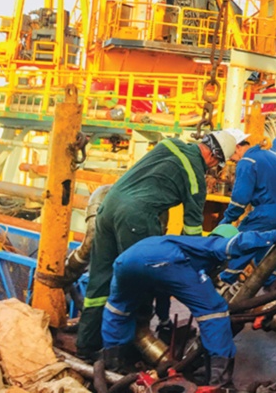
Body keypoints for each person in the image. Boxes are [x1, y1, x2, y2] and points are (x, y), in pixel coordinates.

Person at [76, 130, 238, 360]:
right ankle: (130, 348)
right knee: (141, 279)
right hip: (136, 218)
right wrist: (198, 268)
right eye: (217, 164)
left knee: (100, 278)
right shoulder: (195, 178)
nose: (213, 168)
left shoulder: (169, 144)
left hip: (108, 205)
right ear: (214, 157)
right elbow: (192, 231)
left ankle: (86, 345)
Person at [101, 222, 276, 386]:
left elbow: (162, 296)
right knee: (214, 311)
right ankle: (219, 381)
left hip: (125, 262)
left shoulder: (180, 243)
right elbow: (237, 243)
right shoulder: (210, 244)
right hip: (167, 260)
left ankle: (113, 366)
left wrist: (164, 322)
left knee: (118, 310)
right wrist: (273, 236)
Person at [218, 131, 276, 284]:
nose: (231, 160)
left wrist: (227, 220)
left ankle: (222, 284)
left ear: (237, 147)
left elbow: (240, 199)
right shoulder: (271, 155)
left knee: (241, 244)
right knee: (264, 254)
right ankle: (271, 287)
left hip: (265, 213)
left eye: (230, 155)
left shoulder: (247, 161)